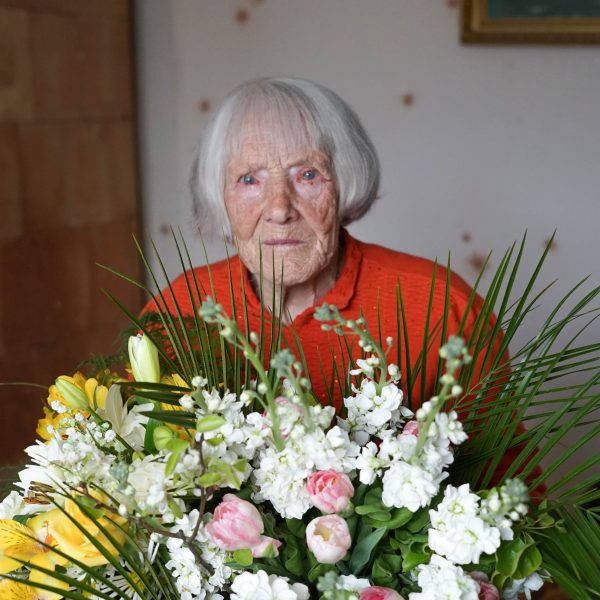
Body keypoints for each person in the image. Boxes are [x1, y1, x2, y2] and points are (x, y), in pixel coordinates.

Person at [144, 76, 499, 414]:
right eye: (249, 179)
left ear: (344, 183)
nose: (280, 209)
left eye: (308, 175)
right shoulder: (179, 311)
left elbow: (500, 456)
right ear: (220, 196)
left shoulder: (441, 306)